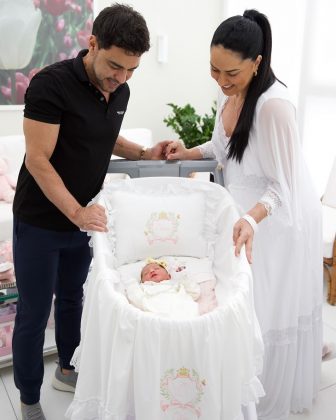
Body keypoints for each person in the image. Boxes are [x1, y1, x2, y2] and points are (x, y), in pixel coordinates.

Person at [12, 4, 169, 420]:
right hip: (41, 221)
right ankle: (29, 398)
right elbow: (38, 160)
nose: (121, 78)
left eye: (131, 70)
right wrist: (78, 213)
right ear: (92, 43)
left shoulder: (121, 89)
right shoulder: (51, 85)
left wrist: (144, 153)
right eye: (115, 66)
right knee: (33, 311)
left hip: (83, 220)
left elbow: (103, 135)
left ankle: (68, 368)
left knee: (73, 300)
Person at [165, 9, 323, 420]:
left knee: (264, 306)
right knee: (241, 299)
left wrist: (253, 217)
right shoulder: (231, 92)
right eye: (214, 70)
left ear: (257, 63)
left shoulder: (275, 108)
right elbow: (223, 148)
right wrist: (188, 153)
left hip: (277, 220)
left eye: (230, 72)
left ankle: (263, 390)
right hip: (244, 215)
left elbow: (283, 186)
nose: (220, 80)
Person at [126, 259, 201, 318]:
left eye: (156, 268)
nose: (152, 271)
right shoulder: (144, 287)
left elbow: (194, 292)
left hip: (182, 312)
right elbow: (136, 298)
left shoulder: (177, 284)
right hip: (156, 314)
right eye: (146, 273)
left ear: (169, 276)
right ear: (142, 282)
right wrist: (131, 284)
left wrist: (184, 276)